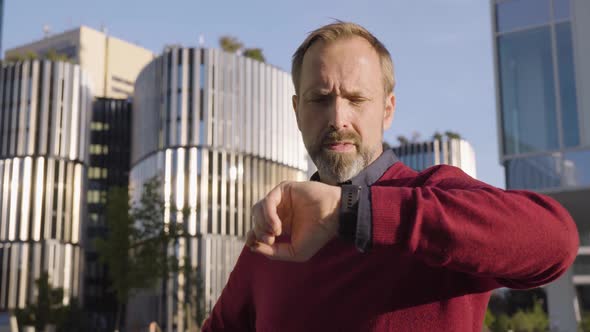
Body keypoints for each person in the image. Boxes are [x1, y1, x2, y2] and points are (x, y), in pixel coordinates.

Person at [202, 21, 578, 331]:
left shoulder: (436, 195)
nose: (337, 119)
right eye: (319, 99)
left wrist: (352, 213)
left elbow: (556, 242)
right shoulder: (275, 237)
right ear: (298, 111)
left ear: (387, 110)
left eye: (356, 99)